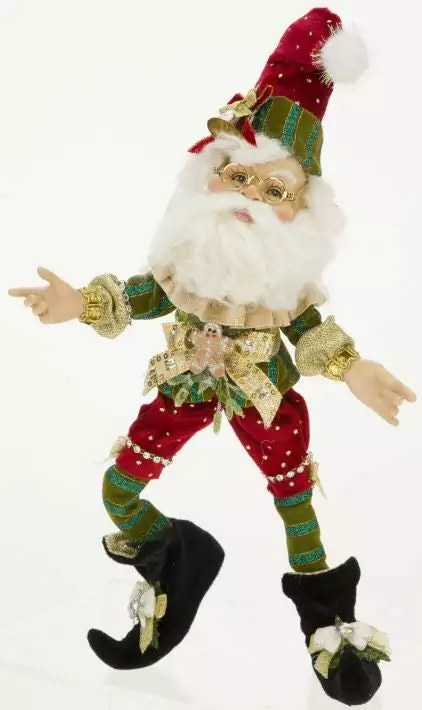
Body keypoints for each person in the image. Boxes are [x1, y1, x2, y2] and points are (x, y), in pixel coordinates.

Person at [8, 7, 416, 706]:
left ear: (303, 209)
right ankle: (176, 560)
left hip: (265, 396)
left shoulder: (283, 283)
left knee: (294, 502)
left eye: (276, 190)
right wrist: (81, 303)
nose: (251, 198)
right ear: (212, 172)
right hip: (185, 385)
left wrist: (354, 370)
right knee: (118, 490)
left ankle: (328, 626)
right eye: (239, 177)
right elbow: (141, 294)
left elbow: (310, 330)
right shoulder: (189, 263)